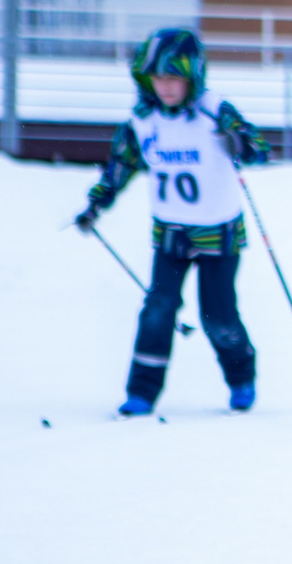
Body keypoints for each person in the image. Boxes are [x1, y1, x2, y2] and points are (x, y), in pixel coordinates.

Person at [74, 28, 271, 416]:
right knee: (158, 309)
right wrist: (98, 203)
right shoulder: (143, 120)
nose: (164, 87)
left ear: (192, 77)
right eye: (157, 78)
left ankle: (241, 376)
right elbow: (121, 164)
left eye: (173, 78)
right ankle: (142, 392)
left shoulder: (214, 110)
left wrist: (240, 144)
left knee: (218, 315)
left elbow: (259, 149)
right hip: (171, 233)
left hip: (219, 231)